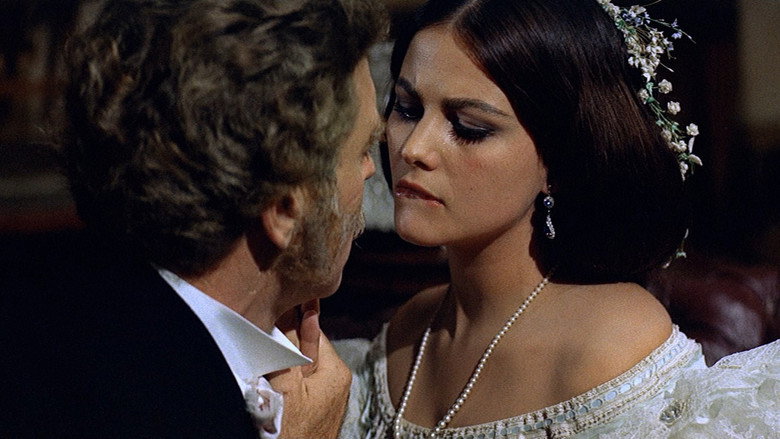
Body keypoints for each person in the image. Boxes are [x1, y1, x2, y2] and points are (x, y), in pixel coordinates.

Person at [338, 0, 779, 437]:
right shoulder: (408, 329)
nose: (414, 148)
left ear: (559, 160)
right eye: (407, 108)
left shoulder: (610, 340)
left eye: (469, 127)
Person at [0, 0, 385, 437]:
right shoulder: (152, 405)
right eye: (362, 151)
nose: (371, 170)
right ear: (283, 208)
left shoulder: (55, 304)